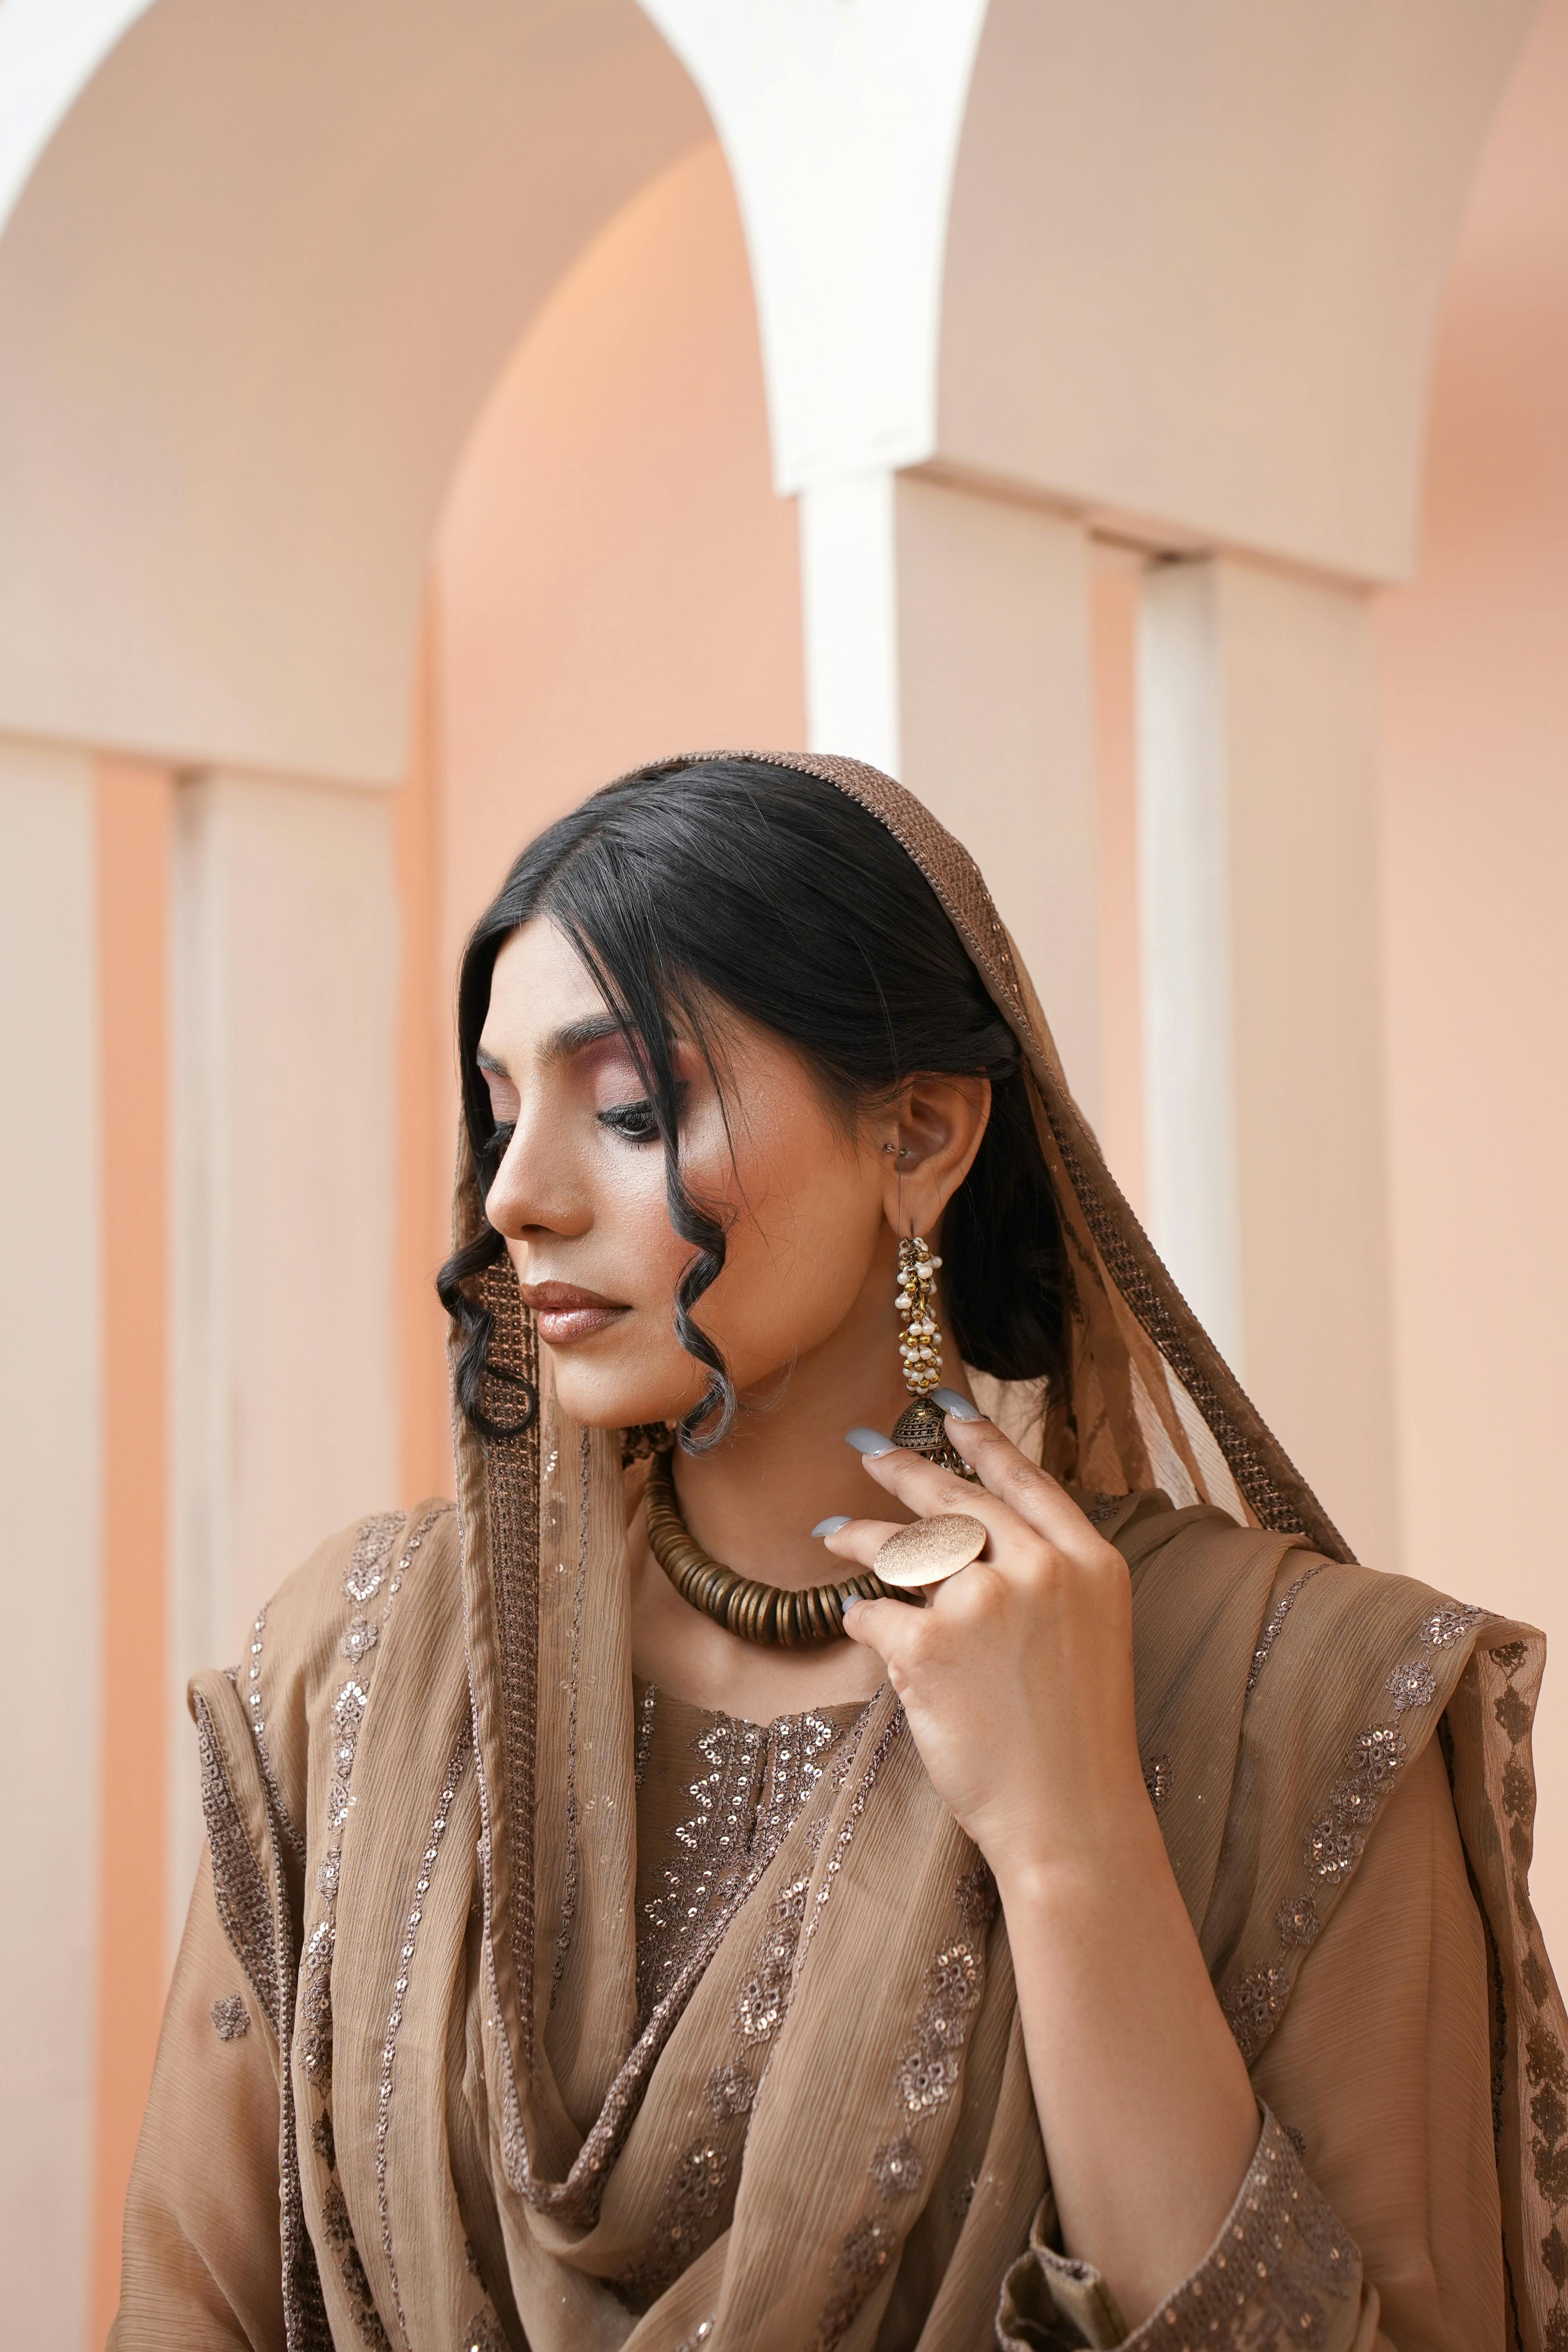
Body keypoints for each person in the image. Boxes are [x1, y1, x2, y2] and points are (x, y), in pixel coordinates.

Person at [112, 751, 1566, 2351]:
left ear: (922, 1137)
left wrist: (1073, 1839)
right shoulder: (360, 1667)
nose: (516, 1197)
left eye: (628, 1109)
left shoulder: (1289, 1699)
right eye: (500, 1109)